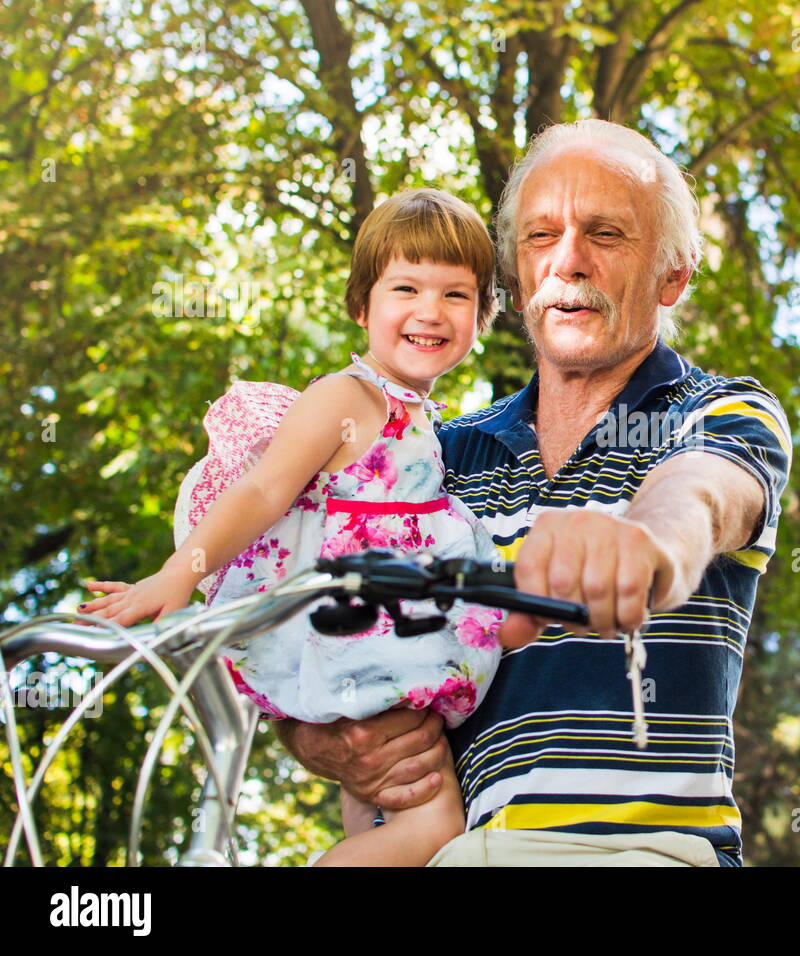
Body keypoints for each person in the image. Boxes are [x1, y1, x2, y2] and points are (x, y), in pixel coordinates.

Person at [276, 120, 794, 866]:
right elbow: (327, 629)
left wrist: (643, 544)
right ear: (516, 279)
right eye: (541, 236)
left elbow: (701, 499)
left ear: (673, 274)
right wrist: (320, 737)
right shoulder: (431, 455)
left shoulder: (714, 413)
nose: (569, 261)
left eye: (607, 234)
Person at [79, 188, 508, 866]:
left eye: (456, 295)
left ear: (482, 314)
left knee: (378, 834)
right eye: (406, 288)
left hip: (378, 644)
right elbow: (266, 488)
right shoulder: (349, 397)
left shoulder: (415, 413)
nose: (431, 311)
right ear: (362, 306)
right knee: (431, 831)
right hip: (367, 643)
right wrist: (175, 577)